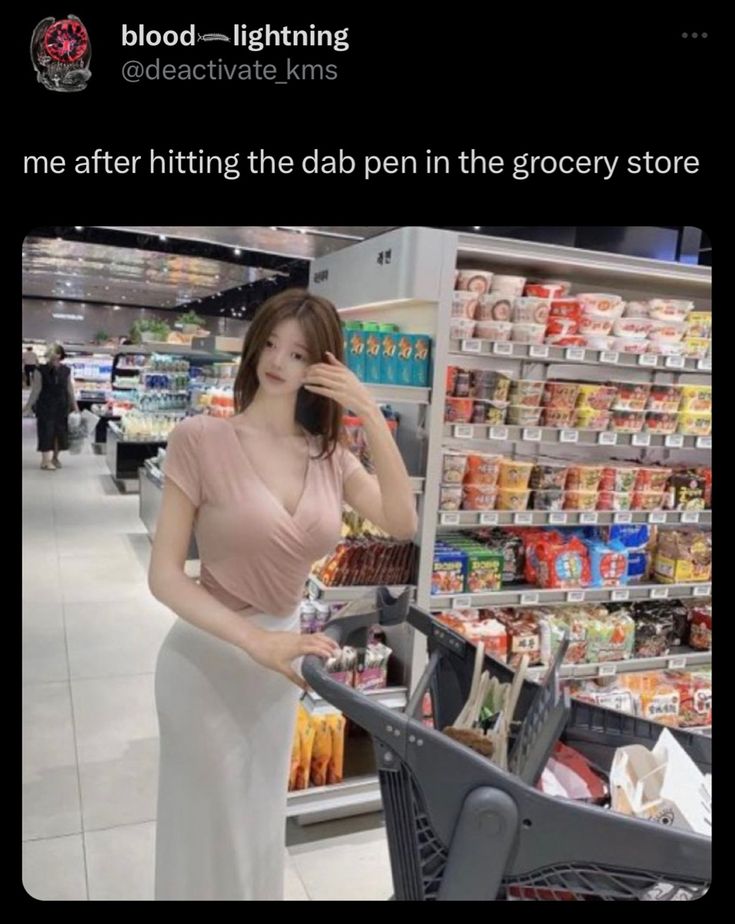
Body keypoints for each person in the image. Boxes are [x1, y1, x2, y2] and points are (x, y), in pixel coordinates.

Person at [148, 289, 418, 901]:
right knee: (205, 830)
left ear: (320, 366)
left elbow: (402, 521)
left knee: (257, 824)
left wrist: (370, 414)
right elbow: (164, 576)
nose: (277, 361)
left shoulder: (329, 456)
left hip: (277, 668)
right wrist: (257, 641)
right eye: (269, 343)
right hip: (207, 658)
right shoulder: (200, 439)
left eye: (297, 353)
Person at [23, 344, 79, 470]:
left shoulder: (66, 370)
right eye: (52, 354)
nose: (55, 357)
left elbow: (69, 389)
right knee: (46, 432)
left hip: (62, 405)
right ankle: (45, 460)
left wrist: (75, 406)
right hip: (45, 405)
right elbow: (36, 390)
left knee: (60, 433)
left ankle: (55, 457)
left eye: (58, 353)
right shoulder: (40, 370)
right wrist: (27, 407)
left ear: (61, 355)